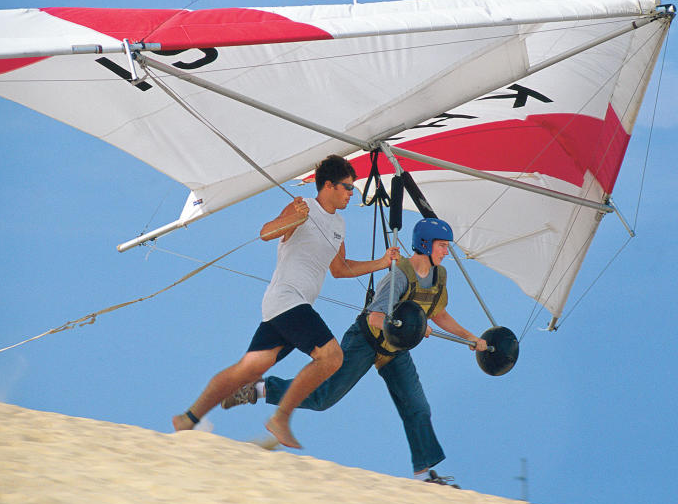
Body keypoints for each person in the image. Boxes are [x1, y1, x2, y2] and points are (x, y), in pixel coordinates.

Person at [222, 217, 487, 486]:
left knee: (417, 407)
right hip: (366, 340)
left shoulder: (439, 277)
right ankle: (256, 389)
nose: (446, 251)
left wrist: (470, 337)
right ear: (425, 244)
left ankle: (425, 475)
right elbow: (375, 318)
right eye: (442, 245)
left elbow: (438, 313)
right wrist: (412, 327)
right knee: (324, 397)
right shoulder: (399, 275)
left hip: (394, 349)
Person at [172, 155, 399, 449]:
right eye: (346, 187)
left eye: (352, 188)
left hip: (289, 305)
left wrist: (381, 262)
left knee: (249, 370)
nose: (350, 194)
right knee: (332, 357)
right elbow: (266, 233)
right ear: (327, 185)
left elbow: (340, 269)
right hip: (287, 299)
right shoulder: (302, 206)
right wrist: (293, 217)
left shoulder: (340, 224)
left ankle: (188, 418)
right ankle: (281, 418)